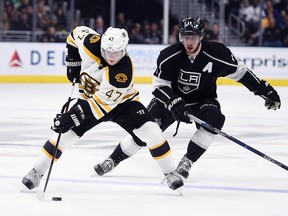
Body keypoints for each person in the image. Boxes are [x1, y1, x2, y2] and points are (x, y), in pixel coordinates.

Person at [94, 16, 281, 180]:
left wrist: (265, 90)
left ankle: (187, 162)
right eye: (185, 37)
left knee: (215, 120)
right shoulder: (169, 56)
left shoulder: (217, 54)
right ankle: (112, 159)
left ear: (201, 37)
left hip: (203, 101)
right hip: (170, 102)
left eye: (193, 37)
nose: (188, 41)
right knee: (144, 130)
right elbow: (159, 87)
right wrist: (173, 101)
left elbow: (241, 73)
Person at [22, 26, 183, 191]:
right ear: (101, 46)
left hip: (123, 105)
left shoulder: (122, 73)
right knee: (63, 136)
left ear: (124, 50)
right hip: (90, 100)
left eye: (117, 52)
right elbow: (75, 34)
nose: (112, 56)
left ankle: (170, 173)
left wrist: (69, 117)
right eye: (107, 51)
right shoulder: (90, 43)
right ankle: (36, 171)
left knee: (152, 132)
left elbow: (98, 106)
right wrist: (72, 62)